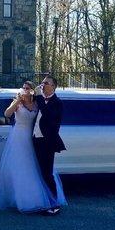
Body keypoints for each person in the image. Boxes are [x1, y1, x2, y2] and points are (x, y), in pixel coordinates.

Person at [0, 81, 66, 214]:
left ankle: (48, 201)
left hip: (34, 140)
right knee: (21, 168)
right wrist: (17, 101)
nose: (25, 90)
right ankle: (22, 199)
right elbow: (7, 114)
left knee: (39, 169)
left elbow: (47, 117)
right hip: (19, 138)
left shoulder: (39, 102)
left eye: (28, 88)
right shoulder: (18, 103)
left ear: (32, 90)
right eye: (24, 87)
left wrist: (38, 97)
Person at [33, 75, 66, 216]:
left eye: (46, 83)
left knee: (47, 173)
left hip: (47, 143)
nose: (42, 85)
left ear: (53, 86)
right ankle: (43, 201)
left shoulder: (57, 103)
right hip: (35, 140)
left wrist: (40, 98)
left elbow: (48, 117)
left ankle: (54, 204)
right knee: (38, 173)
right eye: (42, 82)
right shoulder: (38, 99)